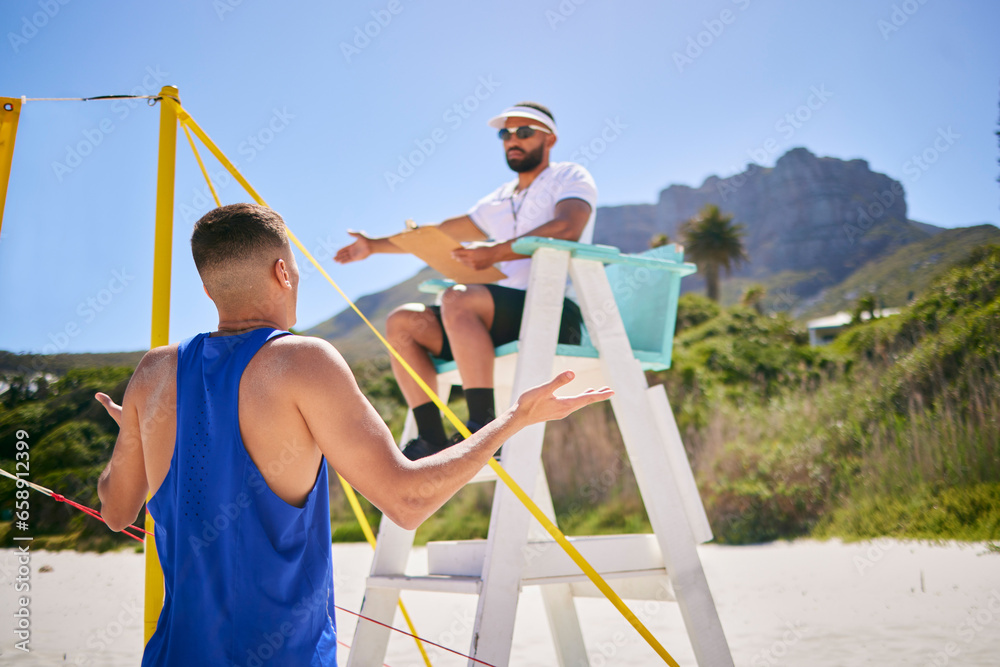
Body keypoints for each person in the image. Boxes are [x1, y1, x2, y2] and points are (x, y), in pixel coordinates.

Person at [93, 203, 611, 666]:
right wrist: (515, 419)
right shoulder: (301, 361)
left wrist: (135, 438)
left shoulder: (154, 372)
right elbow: (407, 500)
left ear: (208, 288)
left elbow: (116, 512)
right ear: (282, 272)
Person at [334, 102, 598, 460]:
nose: (512, 140)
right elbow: (439, 233)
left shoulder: (569, 176)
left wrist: (495, 252)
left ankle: (483, 429)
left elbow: (569, 227)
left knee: (457, 298)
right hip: (486, 318)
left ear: (549, 139)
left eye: (523, 132)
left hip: (552, 313)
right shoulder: (499, 200)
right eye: (505, 134)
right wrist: (373, 246)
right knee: (402, 322)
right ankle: (430, 439)